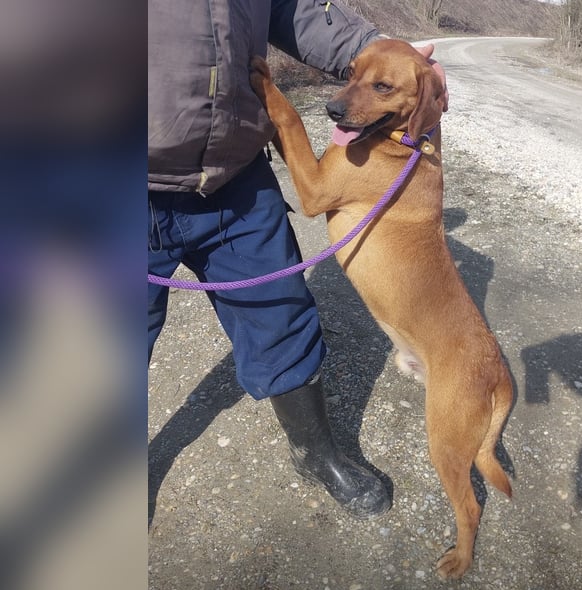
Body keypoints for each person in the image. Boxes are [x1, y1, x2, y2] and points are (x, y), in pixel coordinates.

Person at [148, 1, 446, 519]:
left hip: (235, 176)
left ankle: (315, 454)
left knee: (281, 315)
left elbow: (289, 8)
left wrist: (376, 53)